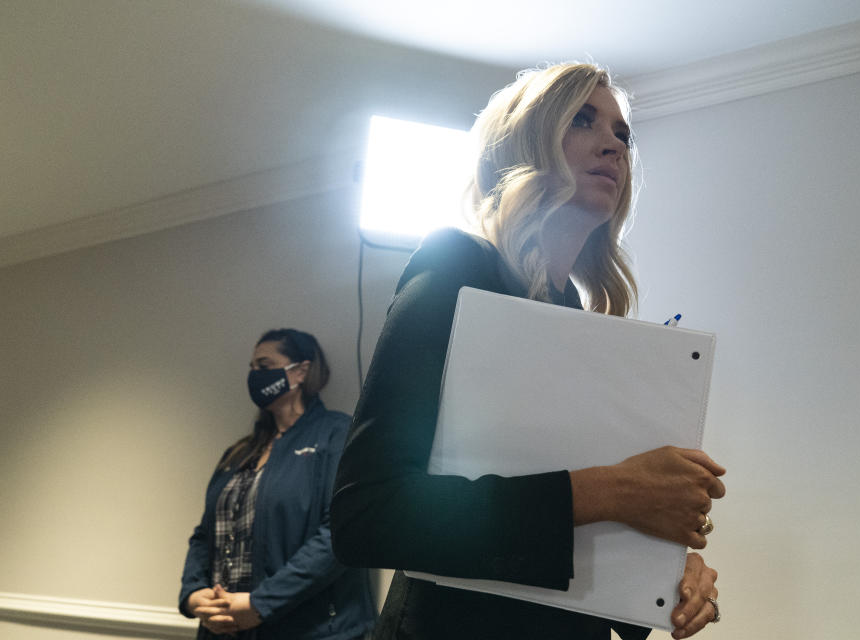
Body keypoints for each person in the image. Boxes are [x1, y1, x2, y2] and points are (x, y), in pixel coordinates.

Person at [330, 63, 725, 640]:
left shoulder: (584, 325)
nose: (613, 144)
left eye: (623, 133)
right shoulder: (456, 270)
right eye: (582, 119)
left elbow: (573, 531)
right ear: (524, 140)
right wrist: (613, 488)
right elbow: (366, 514)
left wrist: (669, 574)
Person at [179, 328, 376, 640]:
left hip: (309, 630)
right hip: (223, 627)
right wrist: (194, 594)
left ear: (300, 371)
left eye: (264, 365)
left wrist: (261, 604)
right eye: (252, 368)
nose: (254, 375)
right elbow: (204, 535)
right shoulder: (240, 453)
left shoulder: (337, 435)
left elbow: (339, 536)